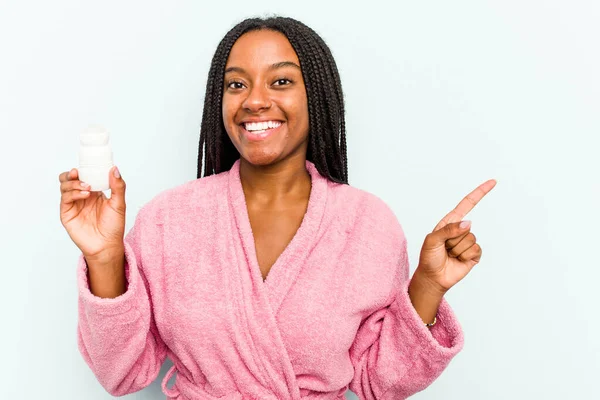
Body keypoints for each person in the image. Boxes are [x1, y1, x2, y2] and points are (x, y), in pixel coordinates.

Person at [59, 16, 495, 400]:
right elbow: (121, 373)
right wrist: (105, 257)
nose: (254, 100)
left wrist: (427, 286)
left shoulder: (368, 225)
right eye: (236, 84)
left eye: (281, 81)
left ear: (316, 96)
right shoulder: (167, 220)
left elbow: (379, 383)